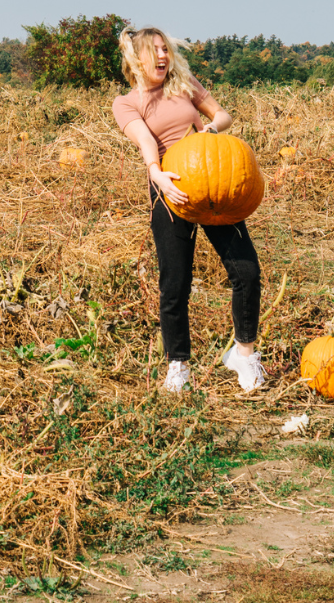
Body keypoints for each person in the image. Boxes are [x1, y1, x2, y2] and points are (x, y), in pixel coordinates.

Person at [112, 26, 265, 393]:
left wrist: (211, 130)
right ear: (137, 59)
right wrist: (157, 176)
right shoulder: (126, 102)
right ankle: (178, 365)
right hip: (169, 189)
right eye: (155, 51)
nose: (163, 57)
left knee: (247, 271)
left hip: (214, 180)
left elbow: (222, 115)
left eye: (166, 49)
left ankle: (244, 354)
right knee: (175, 282)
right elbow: (145, 140)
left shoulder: (184, 84)